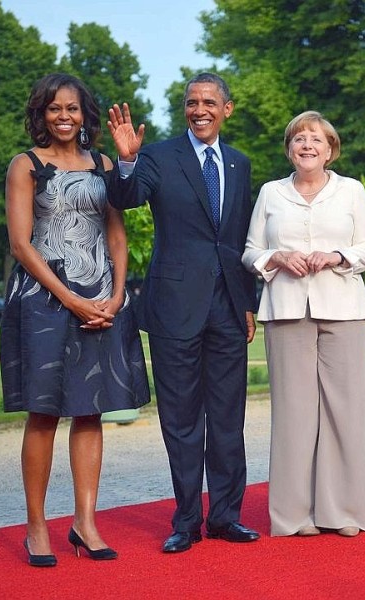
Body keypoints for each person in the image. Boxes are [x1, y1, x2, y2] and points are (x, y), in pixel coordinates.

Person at [1, 73, 151, 567]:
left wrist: (114, 296)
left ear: (85, 114)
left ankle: (85, 523)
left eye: (72, 109)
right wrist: (70, 298)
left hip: (101, 299)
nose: (63, 117)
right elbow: (22, 244)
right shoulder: (25, 165)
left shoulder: (103, 163)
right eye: (53, 109)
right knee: (44, 412)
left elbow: (117, 236)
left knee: (91, 409)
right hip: (45, 300)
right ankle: (37, 526)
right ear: (40, 114)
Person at [106, 73, 260, 552]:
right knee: (181, 419)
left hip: (229, 307)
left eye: (209, 102)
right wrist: (127, 161)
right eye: (192, 102)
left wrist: (249, 302)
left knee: (228, 417)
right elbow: (126, 198)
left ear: (227, 109)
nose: (200, 110)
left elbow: (240, 239)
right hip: (175, 307)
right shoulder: (157, 156)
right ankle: (187, 520)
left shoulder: (239, 163)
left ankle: (226, 517)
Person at [243, 111, 365, 538]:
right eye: (299, 138)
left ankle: (343, 511)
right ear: (289, 148)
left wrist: (338, 256)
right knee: (294, 414)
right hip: (286, 311)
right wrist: (275, 258)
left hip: (342, 308)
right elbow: (250, 251)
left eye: (316, 140)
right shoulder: (271, 193)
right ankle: (293, 516)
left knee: (346, 412)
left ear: (330, 150)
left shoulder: (351, 191)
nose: (307, 145)